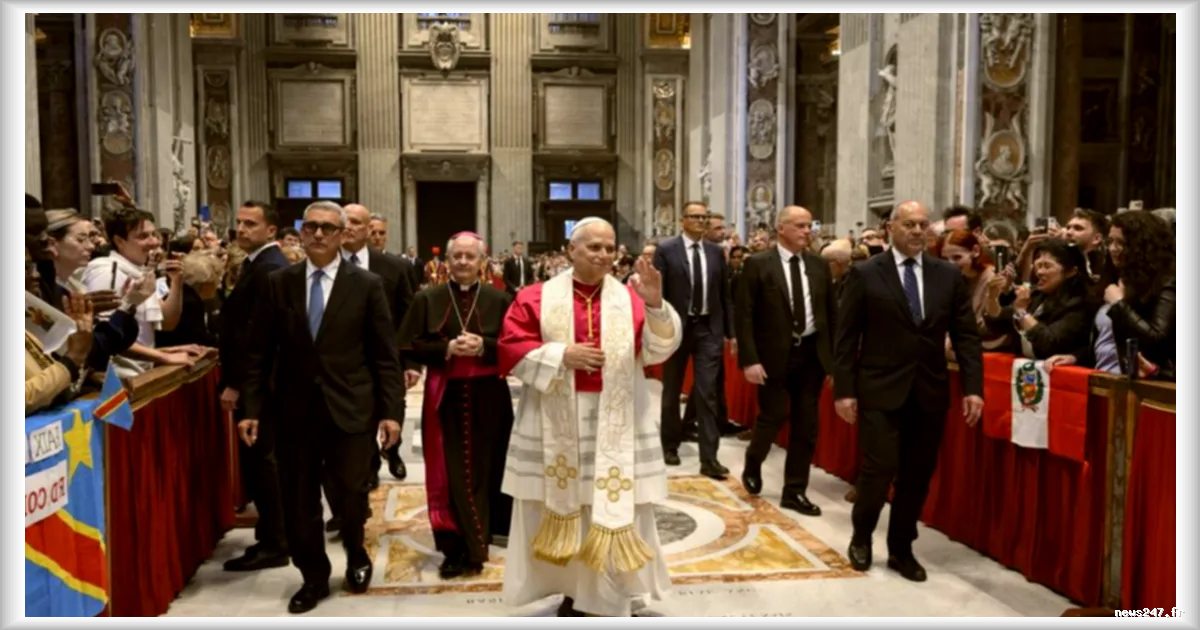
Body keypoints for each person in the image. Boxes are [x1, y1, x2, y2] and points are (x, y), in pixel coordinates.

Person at [498, 217, 682, 618]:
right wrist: (562, 355)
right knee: (564, 505)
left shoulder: (631, 298)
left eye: (609, 248)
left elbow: (658, 350)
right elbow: (511, 347)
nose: (603, 255)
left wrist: (654, 304)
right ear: (571, 250)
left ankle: (610, 597)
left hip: (618, 419)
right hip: (554, 419)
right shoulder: (535, 296)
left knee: (616, 505)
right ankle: (573, 590)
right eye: (593, 247)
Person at [239, 201, 405, 614]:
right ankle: (313, 575)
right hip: (293, 410)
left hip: (351, 407)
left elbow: (385, 356)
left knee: (351, 494)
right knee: (299, 500)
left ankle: (356, 550)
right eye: (311, 226)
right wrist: (251, 408)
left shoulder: (366, 284)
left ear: (342, 234)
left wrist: (391, 412)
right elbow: (258, 353)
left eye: (327, 228)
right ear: (300, 231)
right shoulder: (279, 282)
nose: (318, 234)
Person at [833, 201, 984, 583]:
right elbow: (846, 337)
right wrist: (844, 391)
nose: (918, 231)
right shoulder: (866, 273)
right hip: (879, 389)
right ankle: (862, 536)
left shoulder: (946, 275)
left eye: (923, 225)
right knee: (879, 468)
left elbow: (966, 336)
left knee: (917, 475)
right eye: (909, 224)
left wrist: (973, 388)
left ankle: (901, 548)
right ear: (891, 228)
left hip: (928, 390)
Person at [397, 232, 515, 579]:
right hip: (445, 396)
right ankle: (456, 547)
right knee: (451, 471)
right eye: (457, 256)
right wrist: (445, 349)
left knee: (489, 464)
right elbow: (407, 344)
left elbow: (516, 345)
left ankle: (486, 533)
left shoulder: (500, 299)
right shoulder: (427, 299)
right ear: (446, 261)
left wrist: (484, 346)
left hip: (490, 396)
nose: (463, 262)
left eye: (470, 256)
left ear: (482, 261)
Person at [736, 206, 836, 516]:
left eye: (810, 226)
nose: (808, 231)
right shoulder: (758, 264)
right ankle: (754, 460)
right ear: (781, 228)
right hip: (773, 355)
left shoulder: (819, 265)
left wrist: (832, 362)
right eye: (800, 226)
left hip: (811, 355)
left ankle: (794, 491)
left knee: (807, 425)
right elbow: (745, 314)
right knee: (773, 416)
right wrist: (749, 360)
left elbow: (830, 314)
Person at [327, 203, 417, 536]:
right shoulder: (324, 265)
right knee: (344, 445)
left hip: (383, 364)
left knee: (382, 426)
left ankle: (376, 470)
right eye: (344, 221)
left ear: (369, 230)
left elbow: (408, 318)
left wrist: (411, 363)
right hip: (339, 370)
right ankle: (350, 504)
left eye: (355, 222)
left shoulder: (393, 267)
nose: (348, 227)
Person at [219, 201, 291, 573]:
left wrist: (237, 384)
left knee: (262, 462)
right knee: (262, 462)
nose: (241, 229)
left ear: (271, 230)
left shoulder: (269, 268)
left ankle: (275, 543)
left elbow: (257, 337)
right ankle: (272, 537)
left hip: (260, 385)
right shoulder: (258, 264)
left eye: (251, 223)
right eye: (239, 222)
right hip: (260, 382)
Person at [653, 202, 734, 478]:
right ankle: (670, 444)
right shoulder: (667, 250)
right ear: (683, 220)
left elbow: (725, 294)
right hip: (677, 328)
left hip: (708, 329)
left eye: (704, 217)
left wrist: (730, 332)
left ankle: (709, 458)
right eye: (695, 216)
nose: (700, 221)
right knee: (672, 389)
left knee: (706, 392)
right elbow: (658, 293)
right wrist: (658, 327)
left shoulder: (715, 252)